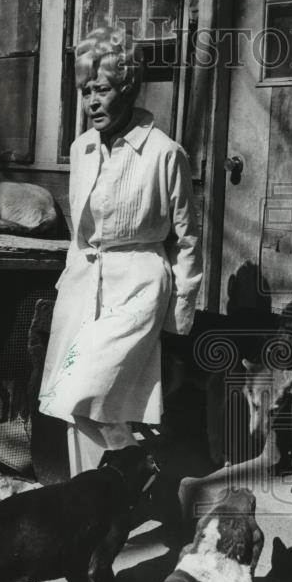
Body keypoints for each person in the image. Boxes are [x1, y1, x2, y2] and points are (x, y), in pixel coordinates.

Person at [39, 25, 202, 475]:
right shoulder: (82, 149)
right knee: (75, 404)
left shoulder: (165, 153)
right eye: (86, 90)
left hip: (137, 286)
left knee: (85, 395)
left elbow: (187, 238)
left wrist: (178, 314)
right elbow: (80, 233)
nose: (92, 101)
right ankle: (103, 498)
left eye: (103, 89)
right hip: (85, 284)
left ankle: (127, 486)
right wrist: (68, 292)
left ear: (127, 88)